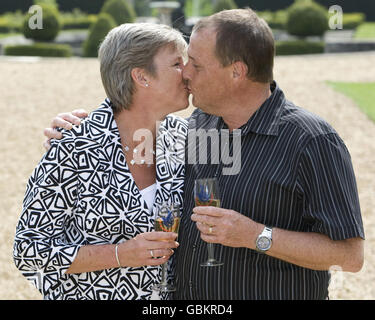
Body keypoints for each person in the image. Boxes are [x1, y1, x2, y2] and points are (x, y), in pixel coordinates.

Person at [43, 9, 365, 300]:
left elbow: (351, 256)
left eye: (195, 64)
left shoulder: (312, 141)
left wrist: (256, 236)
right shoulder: (197, 127)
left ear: (236, 72)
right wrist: (83, 132)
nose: (185, 74)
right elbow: (138, 120)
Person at [13, 23, 189, 300]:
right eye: (177, 63)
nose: (187, 72)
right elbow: (29, 250)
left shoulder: (185, 137)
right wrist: (120, 254)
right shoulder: (74, 147)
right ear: (142, 76)